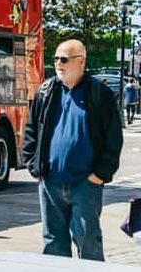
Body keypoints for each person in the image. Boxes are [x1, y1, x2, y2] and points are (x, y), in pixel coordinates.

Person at [22, 39, 123, 261]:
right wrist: (33, 165)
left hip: (85, 184)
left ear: (81, 61)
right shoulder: (46, 92)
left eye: (64, 59)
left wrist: (100, 175)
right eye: (56, 58)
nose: (59, 63)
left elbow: (113, 138)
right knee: (53, 242)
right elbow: (30, 130)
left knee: (88, 241)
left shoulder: (99, 94)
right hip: (50, 183)